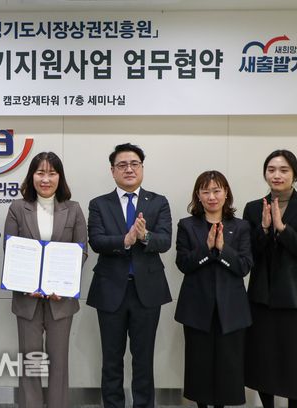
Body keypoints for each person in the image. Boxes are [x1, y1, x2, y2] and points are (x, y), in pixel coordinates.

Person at [86, 142, 172, 408]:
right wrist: (125, 240)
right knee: (111, 359)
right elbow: (96, 241)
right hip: (110, 290)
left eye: (134, 164)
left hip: (147, 291)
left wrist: (145, 236)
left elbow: (165, 241)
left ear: (142, 168)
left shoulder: (158, 202)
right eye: (122, 165)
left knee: (143, 359)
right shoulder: (99, 204)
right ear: (112, 171)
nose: (129, 169)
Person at [3, 152, 87, 408]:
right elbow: (11, 250)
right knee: (30, 362)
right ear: (32, 176)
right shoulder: (18, 208)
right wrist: (28, 284)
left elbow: (81, 252)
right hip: (27, 298)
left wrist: (60, 283)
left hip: (60, 299)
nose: (45, 179)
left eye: (52, 173)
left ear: (60, 177)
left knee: (59, 362)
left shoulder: (73, 209)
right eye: (40, 173)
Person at [243, 150, 297, 408]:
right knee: (263, 360)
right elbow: (250, 253)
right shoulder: (253, 208)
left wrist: (282, 228)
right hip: (262, 297)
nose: (276, 175)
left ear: (294, 174)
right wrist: (265, 228)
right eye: (271, 170)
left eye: (283, 170)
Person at [174, 171, 252, 408]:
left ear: (226, 193)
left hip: (231, 308)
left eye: (216, 190)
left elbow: (244, 266)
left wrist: (223, 249)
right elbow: (183, 264)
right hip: (197, 307)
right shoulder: (187, 225)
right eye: (205, 191)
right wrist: (207, 249)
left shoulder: (241, 226)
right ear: (198, 195)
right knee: (199, 365)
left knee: (229, 366)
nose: (211, 196)